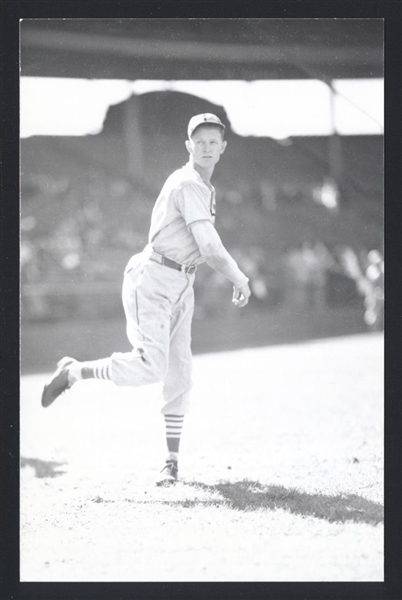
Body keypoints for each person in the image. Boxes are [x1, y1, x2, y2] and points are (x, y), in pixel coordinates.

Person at [41, 113, 251, 485]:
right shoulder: (188, 183)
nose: (205, 147)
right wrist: (238, 276)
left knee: (180, 370)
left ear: (222, 148)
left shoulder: (203, 185)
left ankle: (171, 462)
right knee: (152, 366)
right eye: (198, 141)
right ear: (188, 146)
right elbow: (210, 247)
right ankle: (73, 372)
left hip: (182, 281)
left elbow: (202, 249)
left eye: (212, 142)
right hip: (154, 277)